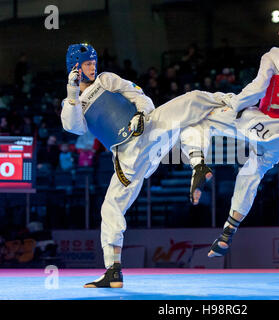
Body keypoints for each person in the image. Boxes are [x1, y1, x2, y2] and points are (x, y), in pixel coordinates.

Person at [61, 43, 217, 288]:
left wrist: (141, 114)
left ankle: (200, 160)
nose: (93, 67)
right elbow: (73, 127)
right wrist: (72, 92)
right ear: (75, 68)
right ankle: (113, 271)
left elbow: (139, 96)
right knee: (110, 209)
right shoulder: (72, 104)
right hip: (128, 159)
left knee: (191, 103)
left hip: (148, 133)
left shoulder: (105, 80)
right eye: (88, 64)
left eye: (93, 62)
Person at [179, 8, 279, 257]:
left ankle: (198, 163)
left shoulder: (273, 55)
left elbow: (257, 88)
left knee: (207, 115)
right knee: (252, 172)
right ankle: (228, 233)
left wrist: (237, 104)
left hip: (260, 122)